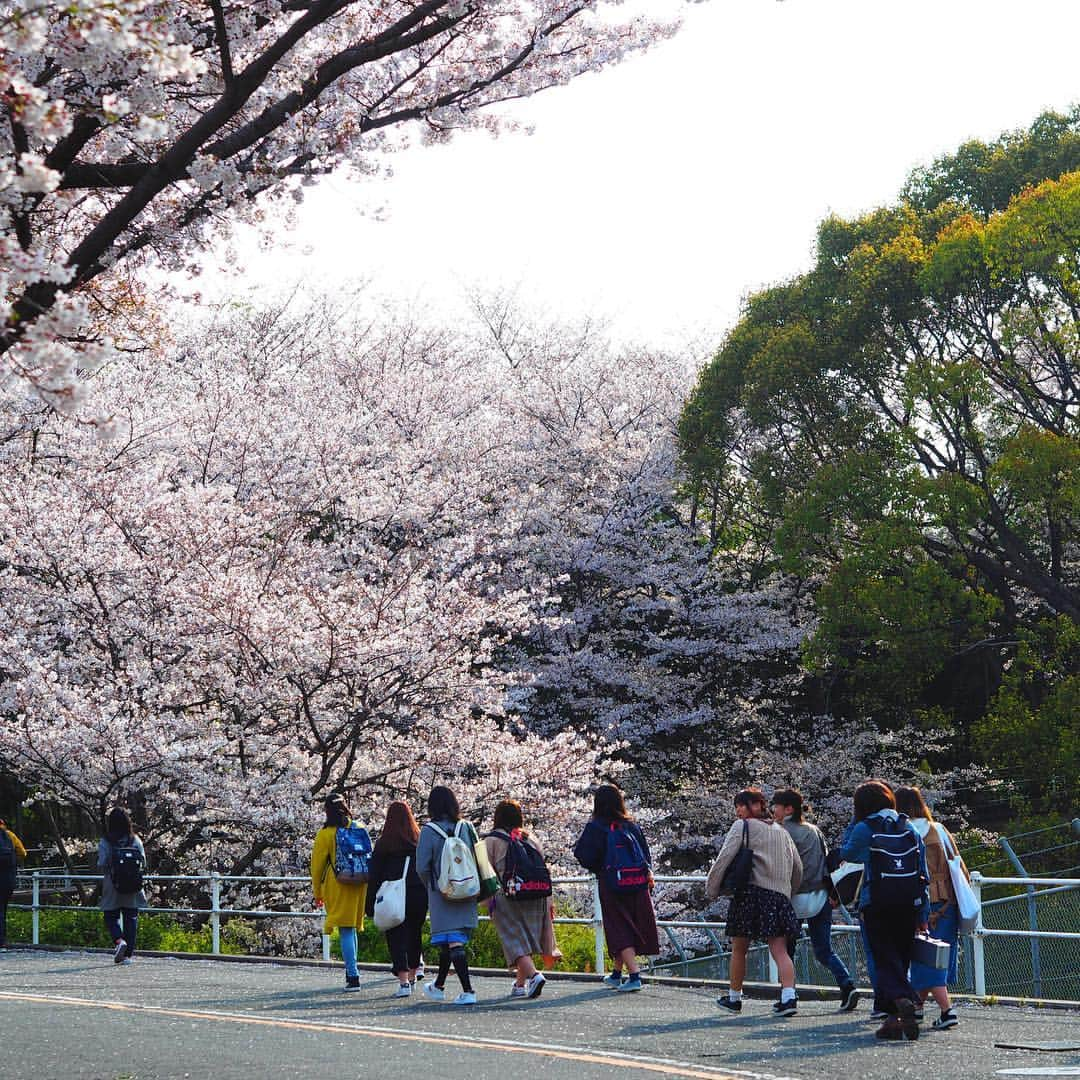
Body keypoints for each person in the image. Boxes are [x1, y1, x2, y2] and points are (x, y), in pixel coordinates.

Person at [839, 779, 929, 1041]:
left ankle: (904, 999)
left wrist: (853, 824)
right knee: (901, 958)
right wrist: (922, 912)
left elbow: (849, 853)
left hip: (877, 902)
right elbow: (922, 873)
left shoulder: (866, 827)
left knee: (883, 958)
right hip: (908, 903)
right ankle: (893, 1021)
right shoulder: (908, 826)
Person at [706, 788, 802, 1017]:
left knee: (740, 948)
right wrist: (789, 891)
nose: (739, 809)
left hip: (750, 894)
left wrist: (712, 888)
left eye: (743, 804)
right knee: (779, 949)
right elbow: (797, 868)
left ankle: (734, 998)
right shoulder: (782, 831)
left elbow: (725, 857)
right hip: (779, 896)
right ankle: (788, 997)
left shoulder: (743, 827)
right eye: (737, 805)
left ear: (758, 805)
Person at [771, 788, 859, 1011]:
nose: (773, 810)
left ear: (788, 808)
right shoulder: (814, 830)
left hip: (791, 897)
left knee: (785, 950)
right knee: (823, 949)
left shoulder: (779, 831)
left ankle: (787, 995)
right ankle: (847, 984)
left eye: (776, 806)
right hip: (821, 895)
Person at [573, 784, 659, 992]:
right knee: (628, 924)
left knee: (618, 927)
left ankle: (635, 975)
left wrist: (602, 868)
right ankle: (617, 974)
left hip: (612, 883)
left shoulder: (596, 827)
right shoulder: (632, 826)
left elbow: (583, 855)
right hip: (637, 884)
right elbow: (645, 856)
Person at [894, 785, 966, 1031]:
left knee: (923, 957)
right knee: (937, 956)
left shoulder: (902, 831)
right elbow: (958, 865)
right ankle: (917, 1007)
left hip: (917, 901)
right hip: (947, 902)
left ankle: (947, 1010)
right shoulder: (939, 830)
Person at [485, 799, 558, 1000]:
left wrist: (487, 902)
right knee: (526, 939)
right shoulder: (530, 838)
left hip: (507, 896)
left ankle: (534, 976)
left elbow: (486, 874)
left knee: (514, 941)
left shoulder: (491, 841)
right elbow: (543, 869)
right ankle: (519, 985)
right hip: (536, 894)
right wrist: (550, 902)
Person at [416, 785, 479, 1005]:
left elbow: (422, 867)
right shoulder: (467, 827)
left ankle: (469, 991)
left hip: (442, 892)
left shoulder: (429, 830)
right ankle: (438, 986)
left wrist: (433, 886)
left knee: (452, 941)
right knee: (451, 940)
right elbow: (477, 856)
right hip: (468, 888)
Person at [365, 800, 428, 998]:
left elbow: (374, 875)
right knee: (414, 933)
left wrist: (370, 904)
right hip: (418, 892)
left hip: (394, 893)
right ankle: (412, 975)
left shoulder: (385, 843)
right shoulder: (419, 840)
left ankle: (403, 982)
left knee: (395, 935)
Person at [311, 794, 369, 992]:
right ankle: (351, 970)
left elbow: (317, 866)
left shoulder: (326, 834)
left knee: (345, 928)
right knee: (351, 927)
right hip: (360, 881)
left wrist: (317, 891)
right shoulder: (359, 828)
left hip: (338, 883)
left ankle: (353, 976)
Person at [97, 807, 147, 964]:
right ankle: (127, 955)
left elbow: (102, 863)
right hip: (133, 885)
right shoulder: (135, 840)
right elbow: (143, 862)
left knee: (110, 916)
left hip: (113, 885)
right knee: (131, 917)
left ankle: (119, 941)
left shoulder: (106, 841)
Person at [0, 817, 27, 949]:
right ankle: (2, 941)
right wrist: (13, 863)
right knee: (2, 910)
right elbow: (23, 853)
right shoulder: (10, 835)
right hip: (8, 880)